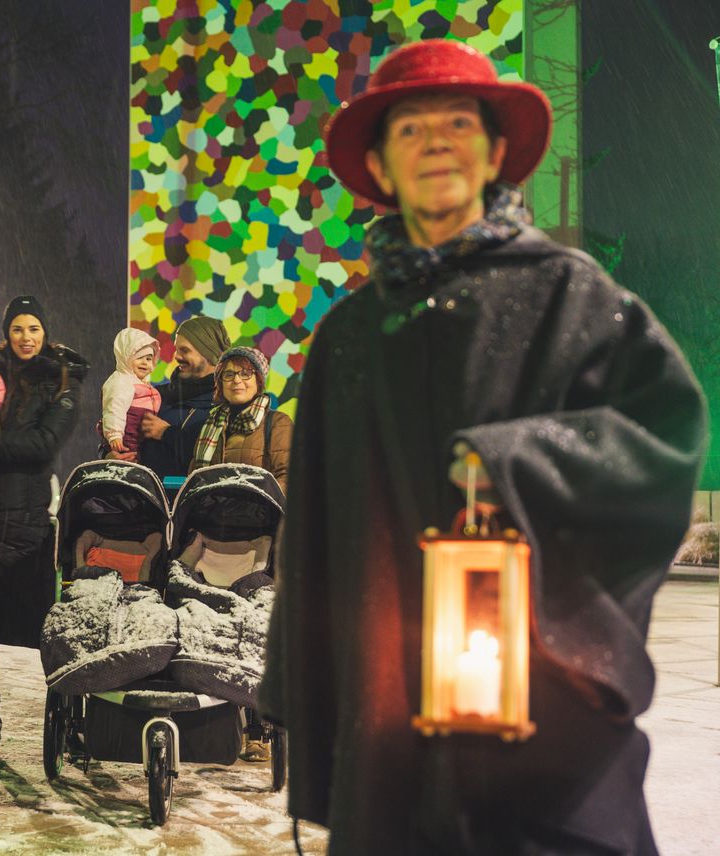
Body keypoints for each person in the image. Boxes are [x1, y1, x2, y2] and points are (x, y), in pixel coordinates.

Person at [260, 39, 706, 855]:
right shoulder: (348, 338)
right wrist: (306, 685)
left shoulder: (570, 296)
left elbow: (664, 435)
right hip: (387, 726)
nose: (436, 142)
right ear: (382, 168)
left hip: (542, 722)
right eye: (410, 128)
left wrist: (516, 461)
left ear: (496, 153)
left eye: (457, 123)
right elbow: (316, 531)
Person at [0, 295, 88, 766]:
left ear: (45, 331)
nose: (25, 338)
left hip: (28, 526)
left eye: (33, 328)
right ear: (5, 332)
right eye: (17, 328)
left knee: (48, 632)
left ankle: (69, 721)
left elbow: (44, 445)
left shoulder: (61, 380)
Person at [124, 315, 231, 479]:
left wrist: (167, 434)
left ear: (210, 355)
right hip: (145, 499)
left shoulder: (225, 404)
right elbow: (118, 431)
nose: (177, 357)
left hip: (195, 501)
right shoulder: (155, 395)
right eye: (176, 349)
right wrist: (109, 452)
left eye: (185, 350)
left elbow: (221, 460)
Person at [188, 346, 291, 490]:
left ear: (259, 380)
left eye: (245, 373)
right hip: (212, 511)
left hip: (257, 510)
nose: (236, 380)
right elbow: (194, 477)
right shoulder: (210, 423)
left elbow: (288, 476)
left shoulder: (278, 423)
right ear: (221, 382)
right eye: (228, 374)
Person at [100, 327, 161, 456]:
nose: (145, 363)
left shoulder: (139, 383)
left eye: (149, 359)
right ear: (126, 358)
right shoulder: (121, 382)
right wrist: (114, 434)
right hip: (126, 440)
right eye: (139, 358)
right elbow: (114, 408)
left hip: (138, 440)